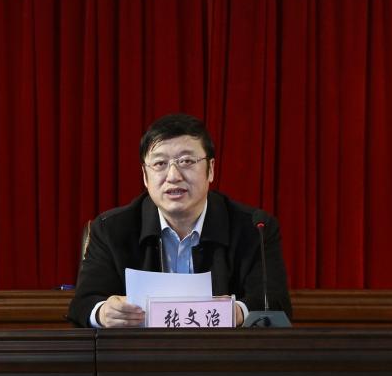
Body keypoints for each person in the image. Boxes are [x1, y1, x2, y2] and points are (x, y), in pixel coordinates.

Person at [68, 113, 291, 328]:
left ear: (210, 170)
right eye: (160, 164)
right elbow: (83, 304)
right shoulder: (111, 229)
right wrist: (103, 313)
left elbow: (275, 303)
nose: (173, 176)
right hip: (140, 353)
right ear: (145, 176)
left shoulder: (255, 228)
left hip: (221, 352)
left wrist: (236, 312)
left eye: (186, 161)